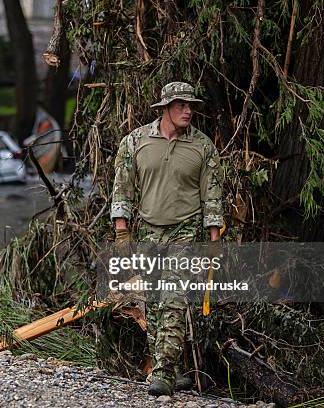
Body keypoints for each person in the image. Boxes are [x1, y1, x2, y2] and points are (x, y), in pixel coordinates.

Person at [110, 82, 223, 396]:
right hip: (147, 230)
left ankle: (162, 376)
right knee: (154, 304)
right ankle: (174, 368)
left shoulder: (202, 146)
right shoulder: (135, 142)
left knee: (173, 296)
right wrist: (122, 233)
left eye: (191, 106)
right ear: (164, 109)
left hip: (186, 231)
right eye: (180, 105)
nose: (188, 111)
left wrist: (214, 237)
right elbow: (123, 190)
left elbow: (211, 194)